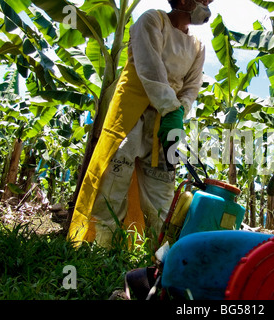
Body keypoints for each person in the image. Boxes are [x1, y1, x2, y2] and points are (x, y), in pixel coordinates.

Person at [68, 0, 213, 247]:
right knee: (113, 182)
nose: (208, 4)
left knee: (162, 191)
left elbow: (191, 87)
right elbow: (150, 69)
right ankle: (101, 248)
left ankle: (158, 254)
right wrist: (170, 109)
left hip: (166, 120)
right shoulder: (152, 20)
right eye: (204, 0)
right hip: (132, 111)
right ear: (185, 0)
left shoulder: (198, 46)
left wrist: (178, 113)